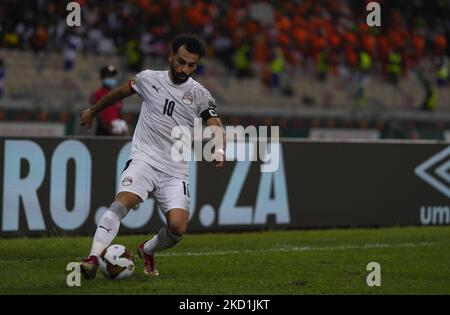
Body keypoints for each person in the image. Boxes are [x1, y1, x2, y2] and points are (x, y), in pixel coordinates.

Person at [78, 33, 225, 278]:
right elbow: (118, 94)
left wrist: (218, 147)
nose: (185, 69)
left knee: (178, 228)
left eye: (191, 65)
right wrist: (94, 111)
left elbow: (214, 122)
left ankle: (147, 250)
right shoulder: (148, 79)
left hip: (176, 170)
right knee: (123, 200)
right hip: (144, 159)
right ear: (170, 56)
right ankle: (93, 257)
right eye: (181, 61)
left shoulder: (200, 94)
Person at [89, 65, 129, 136]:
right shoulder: (97, 94)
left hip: (116, 133)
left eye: (112, 76)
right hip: (102, 133)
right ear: (102, 77)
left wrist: (122, 126)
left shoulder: (117, 94)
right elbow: (98, 116)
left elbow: (119, 113)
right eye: (109, 76)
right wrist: (108, 130)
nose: (111, 78)